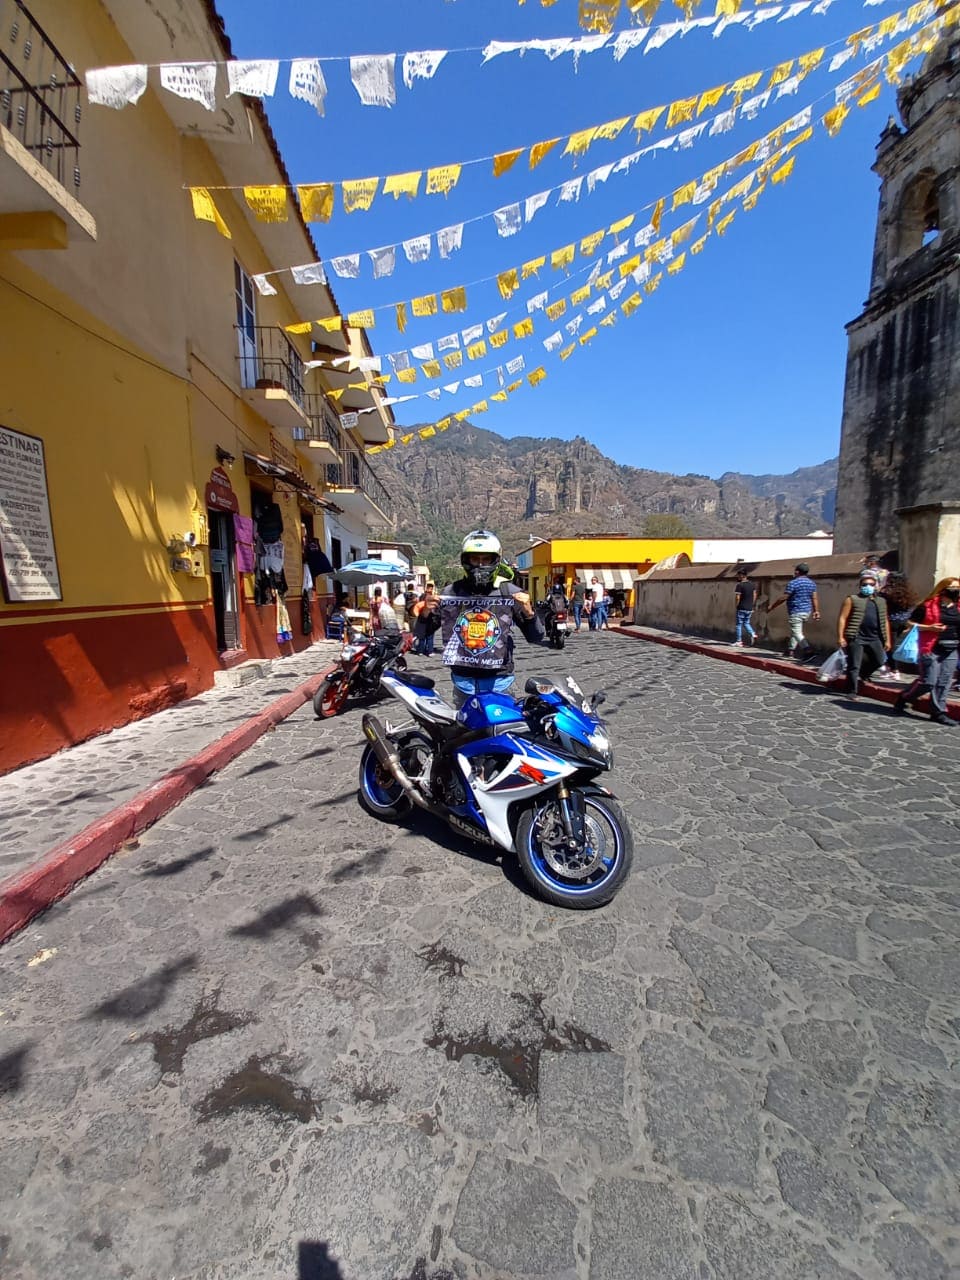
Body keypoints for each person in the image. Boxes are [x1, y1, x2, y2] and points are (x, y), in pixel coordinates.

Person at [439, 529, 543, 707]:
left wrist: (529, 613)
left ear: (495, 560)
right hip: (463, 682)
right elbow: (423, 631)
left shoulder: (509, 593)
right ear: (466, 560)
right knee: (465, 732)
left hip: (499, 681)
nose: (480, 565)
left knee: (503, 729)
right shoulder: (451, 593)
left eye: (486, 559)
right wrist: (424, 614)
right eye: (475, 559)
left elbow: (536, 637)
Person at [894, 576, 960, 725]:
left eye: (958, 589)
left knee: (944, 682)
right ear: (943, 590)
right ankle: (905, 697)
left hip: (951, 649)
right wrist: (929, 628)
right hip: (931, 647)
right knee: (928, 682)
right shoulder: (928, 606)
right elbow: (909, 622)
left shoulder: (958, 607)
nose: (956, 591)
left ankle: (938, 712)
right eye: (953, 588)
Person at [837, 569, 892, 700]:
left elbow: (885, 621)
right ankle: (852, 690)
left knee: (880, 660)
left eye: (872, 584)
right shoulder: (852, 599)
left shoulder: (881, 601)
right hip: (856, 636)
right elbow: (842, 618)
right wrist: (840, 637)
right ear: (860, 586)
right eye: (865, 584)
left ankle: (863, 674)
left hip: (874, 637)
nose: (868, 587)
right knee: (854, 664)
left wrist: (887, 640)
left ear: (876, 586)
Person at [766, 562, 820, 659]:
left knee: (797, 632)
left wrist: (772, 606)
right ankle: (790, 650)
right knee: (795, 631)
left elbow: (784, 597)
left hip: (796, 610)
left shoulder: (793, 583)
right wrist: (816, 611)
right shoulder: (811, 583)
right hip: (807, 611)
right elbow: (814, 598)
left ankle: (808, 650)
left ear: (797, 572)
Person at [880, 572, 917, 677]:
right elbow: (911, 608)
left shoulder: (887, 592)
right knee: (894, 645)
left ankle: (894, 669)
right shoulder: (908, 593)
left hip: (890, 622)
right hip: (903, 622)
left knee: (888, 645)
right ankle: (890, 667)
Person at [412, 582, 440, 655]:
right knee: (429, 636)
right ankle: (429, 651)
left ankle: (420, 651)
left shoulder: (422, 596)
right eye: (430, 588)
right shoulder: (433, 597)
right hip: (429, 618)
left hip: (423, 618)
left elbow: (417, 606)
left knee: (423, 636)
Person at [733, 569, 757, 647]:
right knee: (746, 623)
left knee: (739, 624)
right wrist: (752, 604)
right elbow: (754, 595)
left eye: (738, 575)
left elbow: (737, 597)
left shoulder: (740, 585)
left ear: (742, 576)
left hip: (741, 607)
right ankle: (753, 634)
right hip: (749, 608)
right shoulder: (752, 585)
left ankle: (739, 641)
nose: (738, 577)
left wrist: (736, 605)